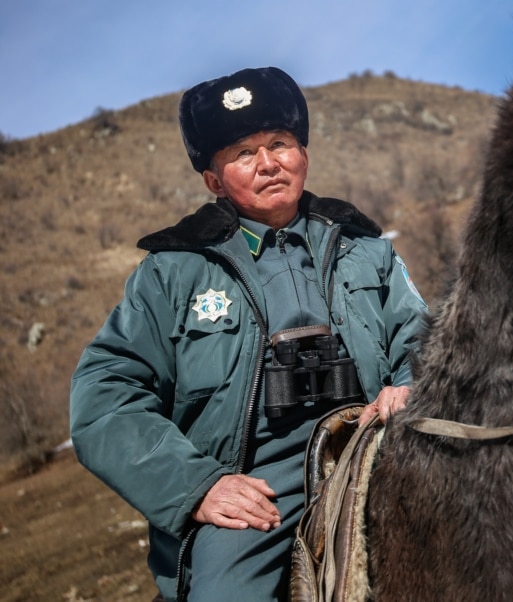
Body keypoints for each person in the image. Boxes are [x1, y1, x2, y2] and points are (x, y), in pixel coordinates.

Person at [69, 66, 427, 601]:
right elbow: (103, 400)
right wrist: (198, 486)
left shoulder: (367, 250)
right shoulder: (173, 272)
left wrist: (409, 380)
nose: (268, 164)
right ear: (214, 181)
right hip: (259, 483)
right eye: (242, 153)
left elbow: (422, 333)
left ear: (302, 152)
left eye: (279, 143)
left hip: (374, 445)